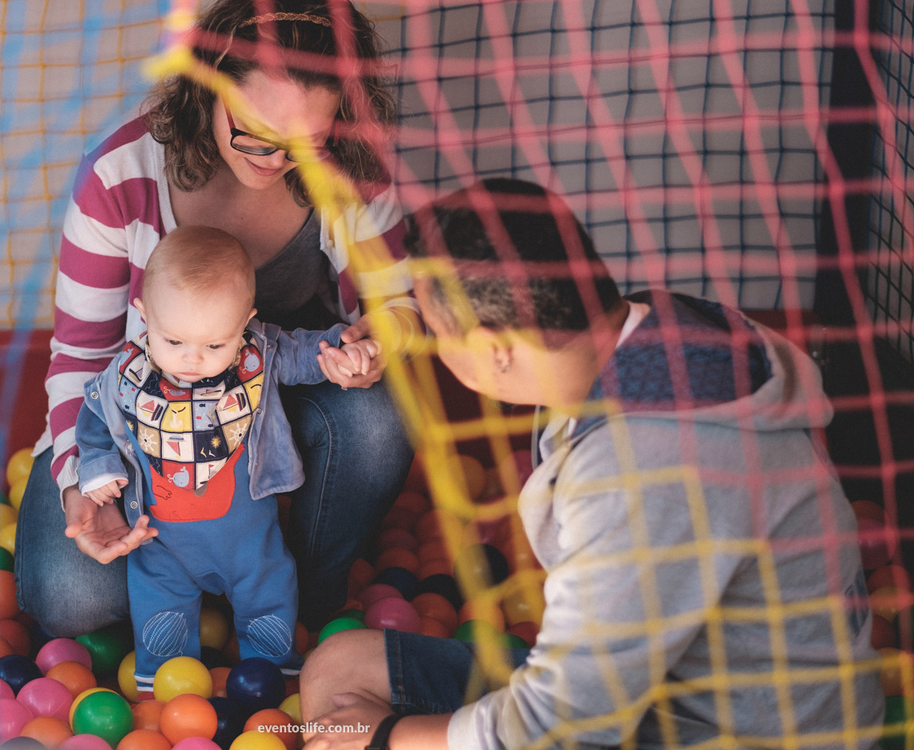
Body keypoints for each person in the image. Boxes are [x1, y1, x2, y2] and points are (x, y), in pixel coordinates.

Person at [300, 178, 883, 749]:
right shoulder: (654, 329)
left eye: (437, 328)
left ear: (495, 350)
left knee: (353, 729)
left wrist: (387, 739)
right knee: (341, 667)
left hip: (736, 732)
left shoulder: (644, 473)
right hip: (653, 688)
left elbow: (567, 726)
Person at [15, 0, 418, 638]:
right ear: (206, 89)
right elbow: (81, 357)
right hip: (144, 421)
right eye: (253, 132)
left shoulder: (347, 166)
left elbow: (396, 303)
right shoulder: (121, 175)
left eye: (303, 143)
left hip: (280, 394)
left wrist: (379, 340)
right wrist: (80, 482)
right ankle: (211, 578)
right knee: (73, 601)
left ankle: (304, 604)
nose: (273, 160)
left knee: (381, 423)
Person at [75, 226, 379, 691]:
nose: (191, 359)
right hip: (160, 542)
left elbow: (309, 350)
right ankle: (165, 682)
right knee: (159, 604)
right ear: (143, 315)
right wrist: (98, 468)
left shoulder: (259, 355)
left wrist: (345, 351)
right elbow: (94, 419)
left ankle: (270, 671)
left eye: (215, 345)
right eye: (173, 341)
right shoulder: (126, 374)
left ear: (245, 324)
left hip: (248, 540)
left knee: (269, 592)